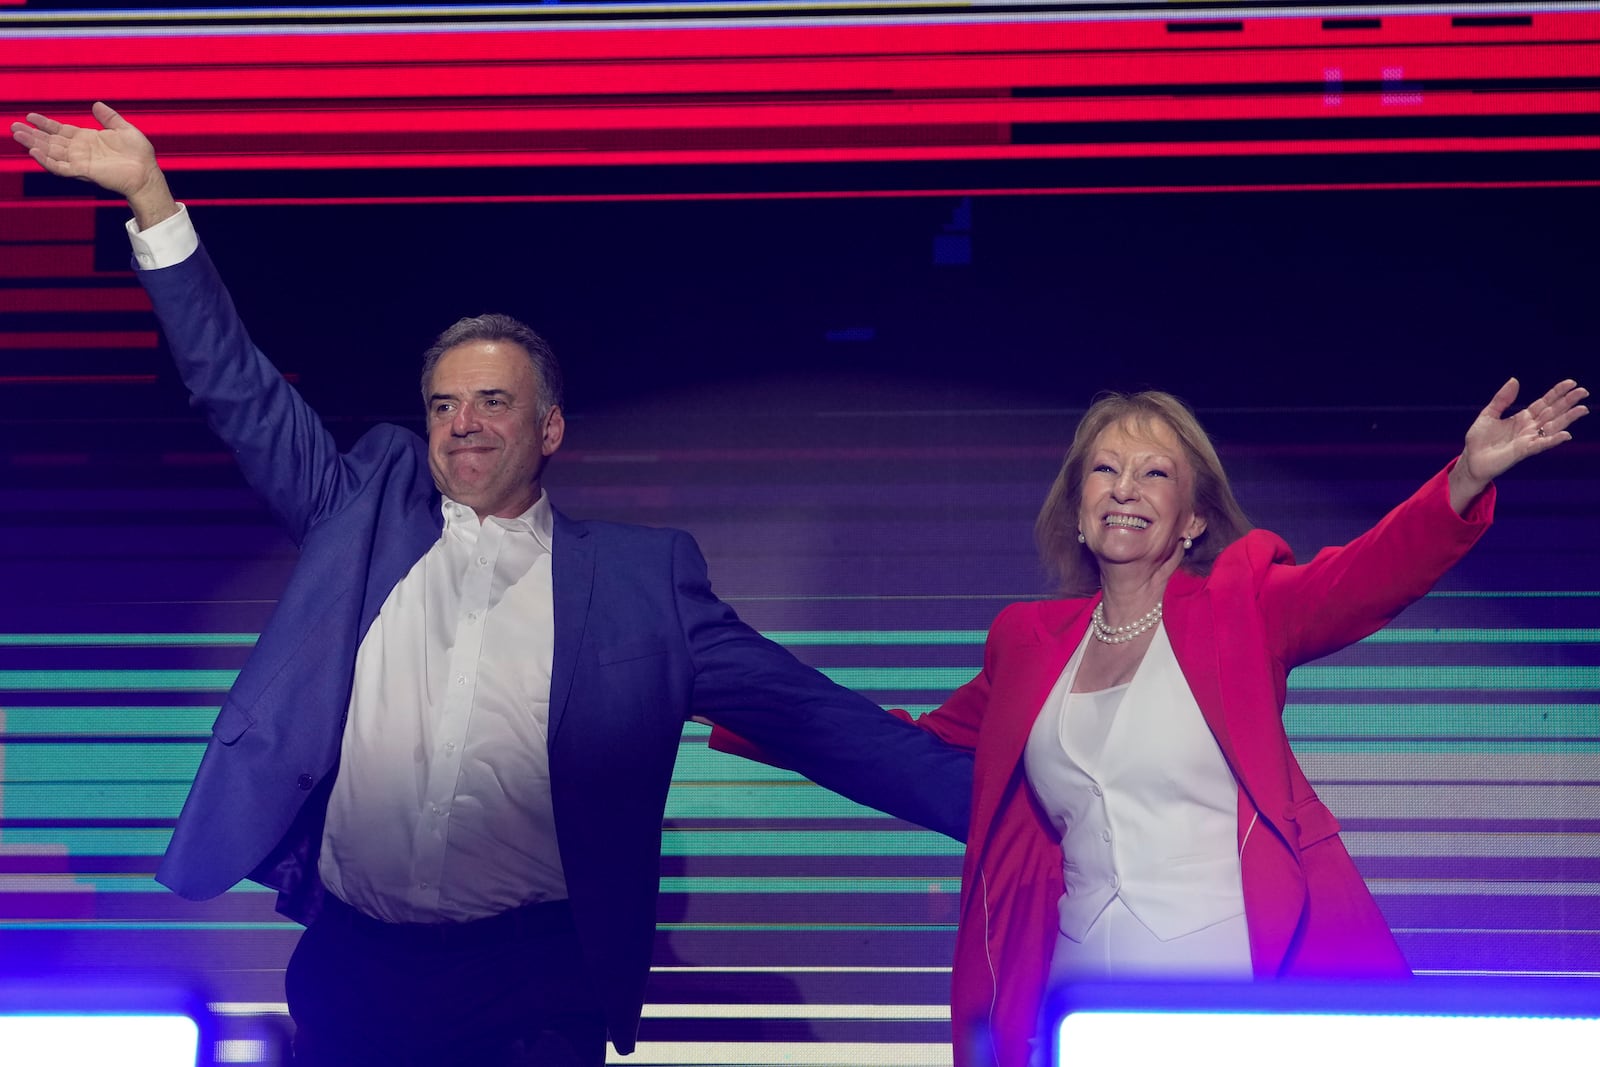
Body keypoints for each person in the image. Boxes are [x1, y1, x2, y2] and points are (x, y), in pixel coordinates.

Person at [12, 104, 973, 1067]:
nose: (463, 422)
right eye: (444, 403)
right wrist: (151, 197)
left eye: (493, 401)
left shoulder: (642, 581)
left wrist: (1012, 810)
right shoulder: (360, 513)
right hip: (358, 964)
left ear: (549, 429)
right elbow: (235, 385)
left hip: (531, 983)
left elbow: (821, 724)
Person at [717, 382, 1587, 1067]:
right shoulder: (1027, 640)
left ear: (1193, 517)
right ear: (1078, 501)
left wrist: (1464, 479)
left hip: (1234, 987)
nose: (1125, 489)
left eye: (1154, 473)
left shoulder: (1241, 609)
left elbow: (1362, 578)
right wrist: (740, 698)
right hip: (1084, 995)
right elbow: (913, 748)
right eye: (1105, 469)